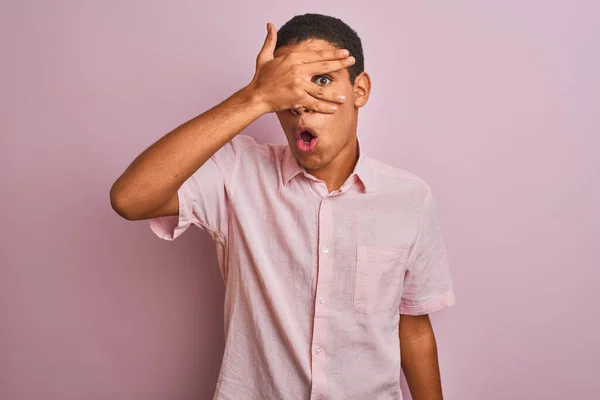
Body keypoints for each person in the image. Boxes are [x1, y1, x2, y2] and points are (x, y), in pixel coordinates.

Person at [110, 13, 455, 400]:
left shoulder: (409, 197)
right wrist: (254, 97)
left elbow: (413, 326)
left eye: (321, 81)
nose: (301, 103)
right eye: (287, 87)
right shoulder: (238, 173)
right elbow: (130, 198)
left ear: (360, 90)